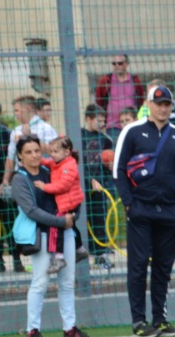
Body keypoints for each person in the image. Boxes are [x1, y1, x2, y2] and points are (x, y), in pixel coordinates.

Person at [113, 84, 175, 337]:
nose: (162, 108)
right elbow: (118, 170)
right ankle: (139, 321)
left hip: (170, 212)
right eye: (158, 104)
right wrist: (128, 203)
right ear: (148, 105)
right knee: (138, 266)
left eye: (167, 104)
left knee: (163, 268)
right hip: (140, 210)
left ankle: (160, 319)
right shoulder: (132, 131)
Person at [11, 136, 88, 337]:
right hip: (42, 235)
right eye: (28, 152)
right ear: (20, 156)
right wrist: (61, 221)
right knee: (40, 282)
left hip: (65, 233)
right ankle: (33, 330)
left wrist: (73, 217)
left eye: (37, 150)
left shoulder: (52, 169)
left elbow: (72, 193)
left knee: (67, 282)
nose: (34, 155)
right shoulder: (19, 179)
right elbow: (31, 210)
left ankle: (70, 328)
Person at [36, 136, 87, 274]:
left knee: (56, 226)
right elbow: (47, 162)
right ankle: (80, 249)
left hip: (70, 204)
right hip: (67, 202)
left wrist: (45, 187)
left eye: (55, 151)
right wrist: (37, 159)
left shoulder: (69, 166)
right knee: (72, 226)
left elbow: (63, 186)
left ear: (67, 151)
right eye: (51, 151)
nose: (52, 155)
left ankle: (59, 258)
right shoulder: (58, 162)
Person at [0, 96, 58, 201]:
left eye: (17, 110)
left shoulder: (46, 128)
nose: (15, 114)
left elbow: (54, 152)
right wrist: (5, 180)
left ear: (28, 109)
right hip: (21, 176)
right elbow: (10, 157)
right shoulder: (16, 131)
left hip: (43, 176)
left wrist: (30, 137)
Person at [0, 98, 23, 273]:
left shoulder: (8, 134)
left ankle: (17, 259)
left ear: (0, 114)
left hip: (7, 186)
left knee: (11, 222)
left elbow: (14, 159)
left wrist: (9, 180)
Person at [80, 104, 115, 268]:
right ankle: (82, 256)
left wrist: (109, 168)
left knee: (100, 219)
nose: (102, 124)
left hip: (99, 186)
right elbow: (77, 163)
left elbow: (108, 165)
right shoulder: (79, 135)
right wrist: (90, 180)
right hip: (82, 186)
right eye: (98, 121)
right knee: (82, 220)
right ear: (88, 119)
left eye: (103, 121)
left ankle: (100, 255)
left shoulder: (106, 140)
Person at [95, 54, 145, 132]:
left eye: (120, 63)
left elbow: (141, 100)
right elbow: (99, 101)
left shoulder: (135, 81)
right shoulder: (106, 80)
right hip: (112, 125)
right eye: (114, 63)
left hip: (132, 124)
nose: (117, 66)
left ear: (127, 64)